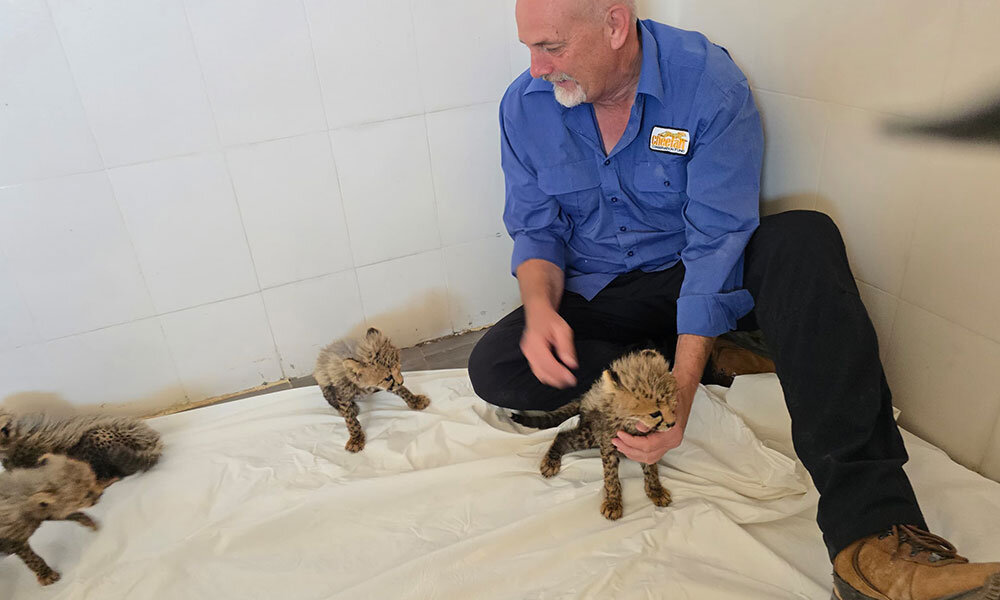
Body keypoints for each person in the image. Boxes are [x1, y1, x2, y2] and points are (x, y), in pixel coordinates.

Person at [467, 1, 1000, 598]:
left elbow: (718, 242)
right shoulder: (525, 105)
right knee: (495, 366)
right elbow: (537, 230)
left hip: (693, 272)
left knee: (803, 238)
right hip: (600, 286)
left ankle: (869, 539)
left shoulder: (706, 84)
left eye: (551, 47)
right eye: (530, 48)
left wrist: (680, 393)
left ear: (615, 25)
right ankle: (713, 356)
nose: (537, 69)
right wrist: (540, 310)